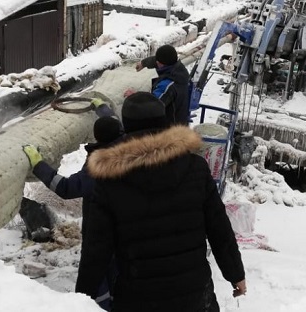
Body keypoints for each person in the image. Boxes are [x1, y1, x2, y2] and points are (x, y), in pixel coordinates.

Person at [75, 92, 246, 312]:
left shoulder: (109, 180)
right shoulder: (195, 167)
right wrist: (236, 274)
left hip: (138, 298)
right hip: (194, 296)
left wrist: (81, 298)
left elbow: (95, 249)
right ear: (164, 122)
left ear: (125, 127)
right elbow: (219, 227)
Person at [23, 98, 122, 311]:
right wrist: (100, 107)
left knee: (97, 276)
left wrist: (38, 164)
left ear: (98, 138)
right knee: (119, 272)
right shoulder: (127, 143)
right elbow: (113, 121)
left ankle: (99, 306)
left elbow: (67, 188)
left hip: (103, 231)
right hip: (126, 224)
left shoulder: (101, 164)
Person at [136, 44, 191, 125]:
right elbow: (157, 60)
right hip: (180, 119)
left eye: (158, 62)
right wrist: (143, 63)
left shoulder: (168, 85)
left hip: (170, 129)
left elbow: (152, 105)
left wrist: (135, 96)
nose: (156, 63)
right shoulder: (178, 69)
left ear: (161, 64)